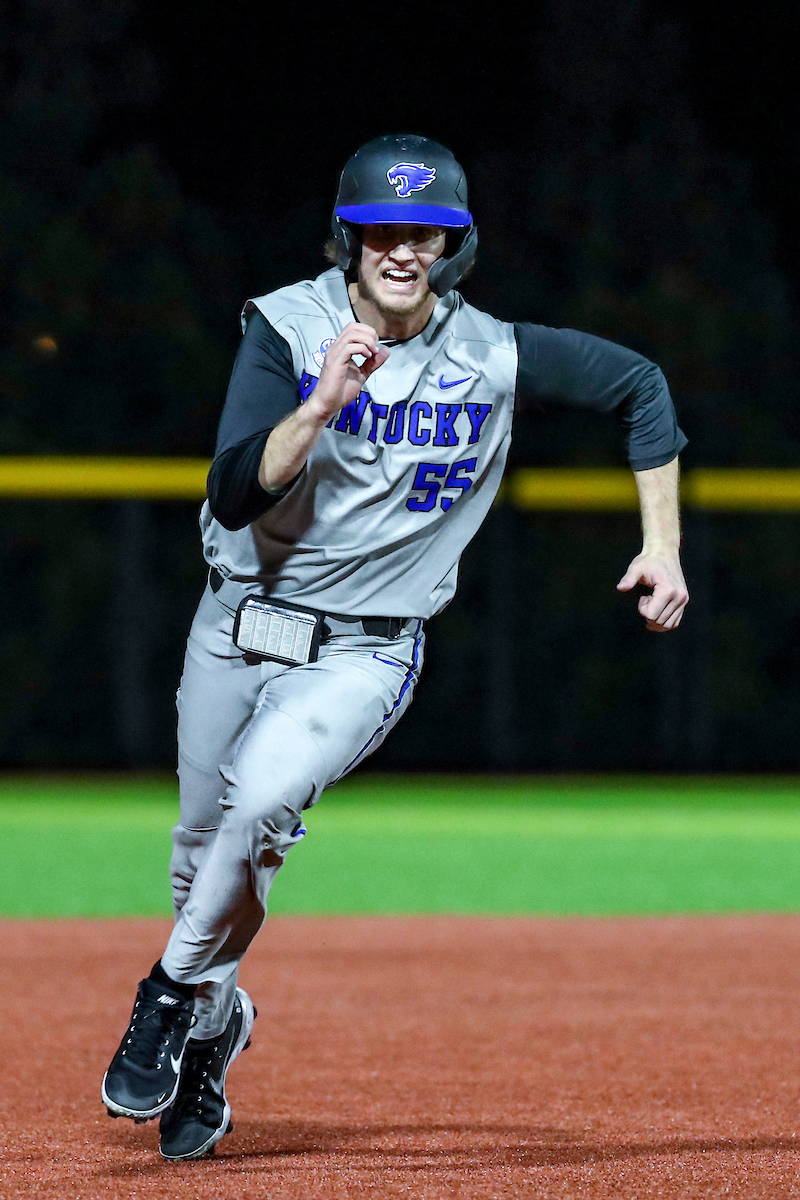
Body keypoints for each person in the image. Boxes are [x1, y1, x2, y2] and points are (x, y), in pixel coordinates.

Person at [101, 133, 689, 1160]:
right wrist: (322, 399)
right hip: (235, 625)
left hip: (363, 650)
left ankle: (164, 997)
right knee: (204, 862)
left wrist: (662, 547)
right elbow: (235, 487)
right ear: (349, 237)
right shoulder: (287, 326)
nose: (401, 249)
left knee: (258, 808)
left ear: (453, 242)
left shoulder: (489, 352)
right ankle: (212, 1030)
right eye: (380, 230)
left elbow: (640, 387)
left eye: (423, 231)